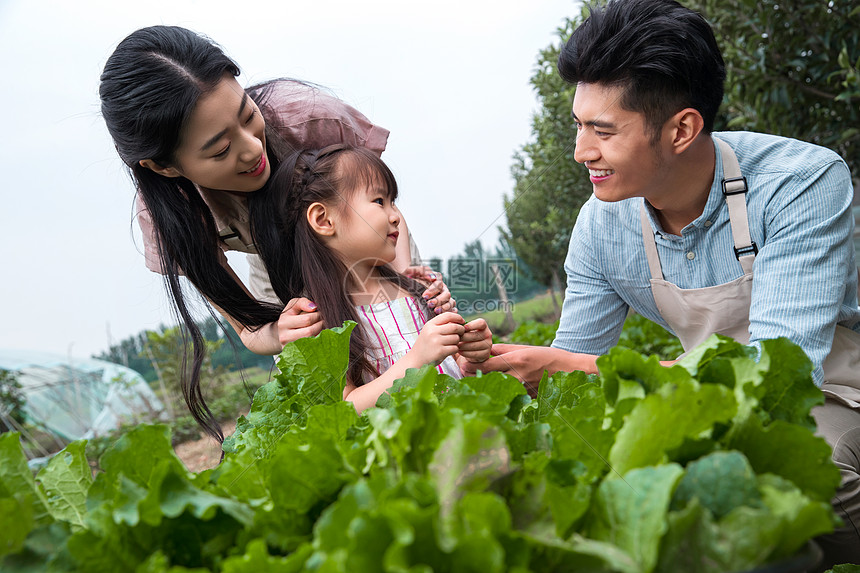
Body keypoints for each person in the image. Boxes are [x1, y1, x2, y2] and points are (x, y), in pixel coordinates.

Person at [463, 0, 860, 565]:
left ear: (682, 129)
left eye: (603, 131)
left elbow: (776, 374)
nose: (581, 152)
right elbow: (571, 367)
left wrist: (573, 368)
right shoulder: (602, 224)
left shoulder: (799, 182)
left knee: (775, 473)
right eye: (578, 125)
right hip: (718, 406)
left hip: (832, 395)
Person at [99, 26, 453, 439]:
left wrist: (404, 278)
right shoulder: (171, 220)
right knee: (330, 395)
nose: (251, 148)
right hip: (276, 270)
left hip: (367, 244)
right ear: (165, 167)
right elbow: (250, 330)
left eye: (248, 117)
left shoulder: (304, 118)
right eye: (219, 150)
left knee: (409, 333)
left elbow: (380, 207)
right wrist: (281, 332)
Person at [265, 143, 492, 412]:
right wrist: (416, 359)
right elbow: (342, 408)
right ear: (324, 219)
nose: (396, 216)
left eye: (393, 202)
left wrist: (472, 352)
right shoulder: (313, 321)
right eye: (379, 201)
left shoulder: (418, 290)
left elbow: (454, 367)